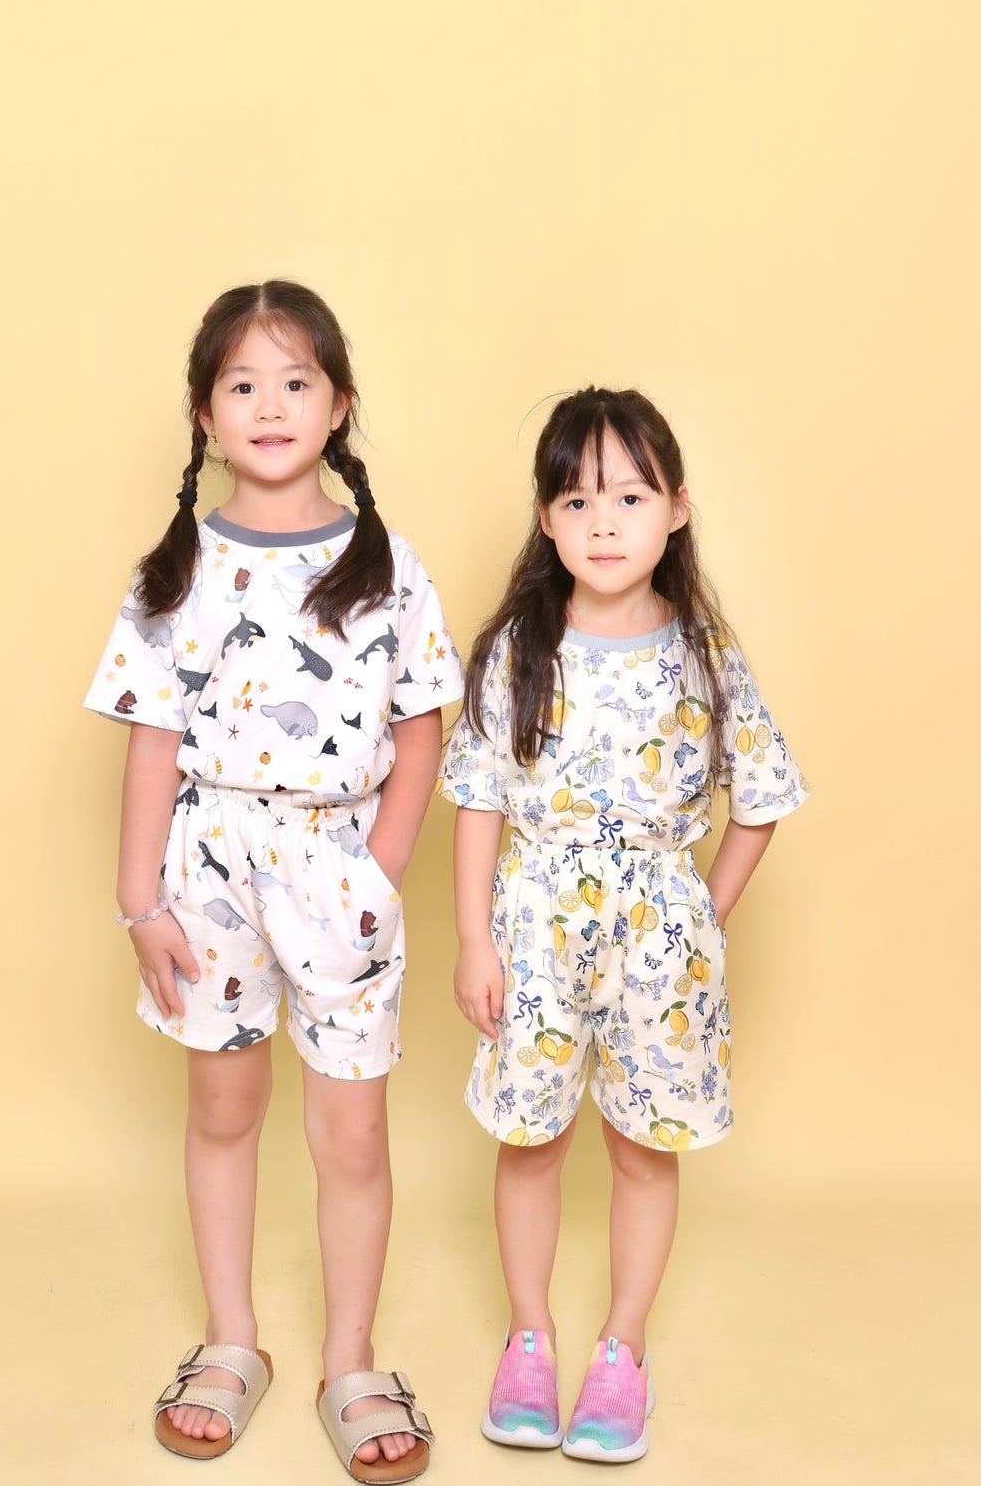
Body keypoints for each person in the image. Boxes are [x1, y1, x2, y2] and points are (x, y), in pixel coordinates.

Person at [85, 282, 462, 1478]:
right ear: (205, 414)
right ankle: (230, 1338)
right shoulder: (178, 568)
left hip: (340, 867)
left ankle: (351, 1359)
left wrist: (380, 870)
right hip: (208, 872)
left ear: (339, 405)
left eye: (297, 381)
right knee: (222, 1110)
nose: (270, 404)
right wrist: (140, 901)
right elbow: (151, 740)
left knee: (352, 1131)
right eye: (242, 384)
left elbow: (422, 728)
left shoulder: (386, 563)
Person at [440, 386, 810, 1465]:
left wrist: (704, 916)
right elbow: (477, 799)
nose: (603, 523)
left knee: (646, 1149)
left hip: (661, 944)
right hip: (535, 933)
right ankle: (529, 1339)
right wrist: (475, 940)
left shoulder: (703, 652)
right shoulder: (519, 648)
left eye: (630, 497)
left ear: (677, 508)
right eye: (577, 500)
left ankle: (623, 1349)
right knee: (531, 1138)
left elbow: (763, 796)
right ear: (547, 521)